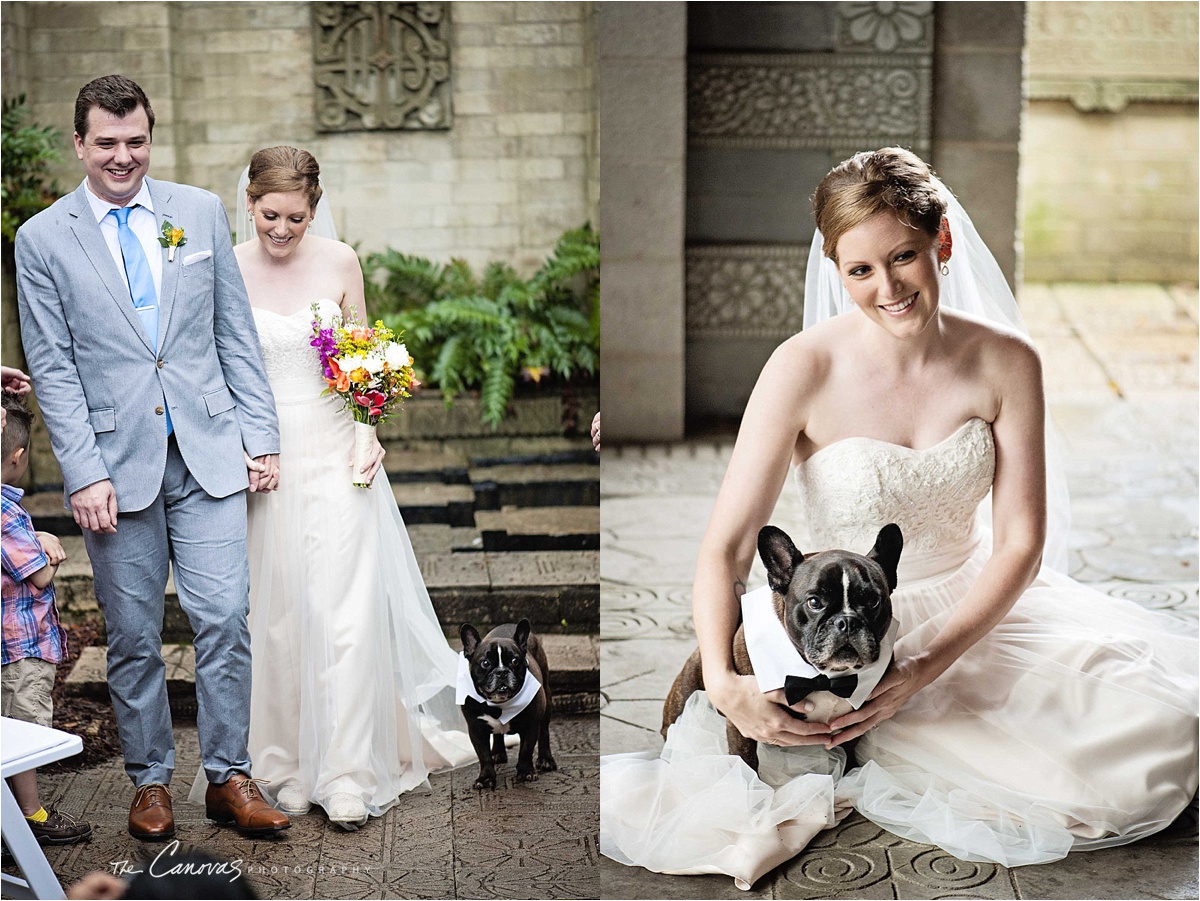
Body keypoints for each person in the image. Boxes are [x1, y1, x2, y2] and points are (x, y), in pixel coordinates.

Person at [599, 147, 1199, 887]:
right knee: (1102, 780)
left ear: (941, 242)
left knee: (1167, 734)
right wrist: (724, 682)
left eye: (904, 256)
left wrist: (923, 665)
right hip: (858, 633)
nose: (887, 287)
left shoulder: (1009, 362)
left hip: (980, 613)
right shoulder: (801, 367)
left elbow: (1020, 541)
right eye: (860, 270)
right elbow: (724, 549)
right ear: (836, 271)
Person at [15, 75, 288, 841]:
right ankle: (150, 782)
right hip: (113, 465)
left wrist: (259, 435)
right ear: (79, 143)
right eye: (107, 142)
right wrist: (83, 469)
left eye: (136, 140)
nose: (123, 156)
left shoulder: (196, 211)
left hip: (206, 451)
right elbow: (54, 363)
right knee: (133, 634)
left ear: (149, 137)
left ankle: (229, 775)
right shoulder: (40, 240)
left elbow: (232, 331)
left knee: (225, 617)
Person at [206, 145, 474, 829]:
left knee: (345, 615)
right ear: (249, 205)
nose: (282, 229)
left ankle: (347, 770)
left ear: (314, 209)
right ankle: (284, 764)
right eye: (269, 215)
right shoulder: (227, 267)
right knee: (280, 616)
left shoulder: (341, 261)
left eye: (296, 217)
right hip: (265, 462)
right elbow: (219, 368)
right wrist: (238, 443)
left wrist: (367, 426)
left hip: (336, 454)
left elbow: (366, 358)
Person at [1, 392, 92, 847]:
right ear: (18, 457)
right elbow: (36, 576)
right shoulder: (5, 511)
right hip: (21, 649)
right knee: (25, 730)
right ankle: (31, 815)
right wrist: (51, 547)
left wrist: (33, 532)